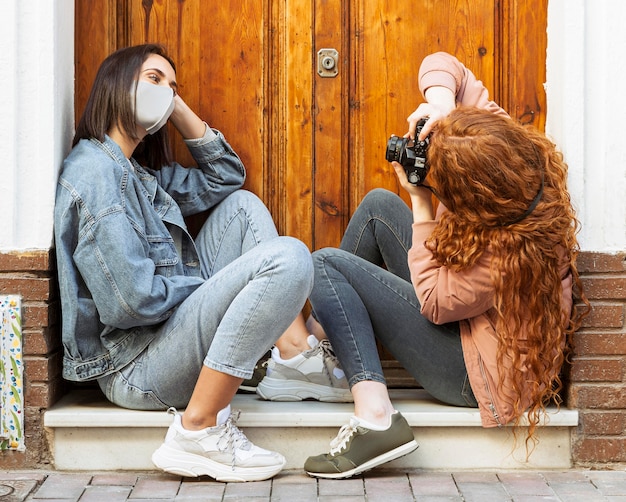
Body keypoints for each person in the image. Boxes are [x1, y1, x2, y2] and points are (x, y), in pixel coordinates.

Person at [296, 51, 589, 479]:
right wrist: (442, 109)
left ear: (475, 195)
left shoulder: (513, 253)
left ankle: (375, 417)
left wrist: (420, 202)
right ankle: (316, 349)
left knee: (325, 265)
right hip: (475, 328)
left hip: (476, 377)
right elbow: (444, 62)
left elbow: (435, 301)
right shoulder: (507, 151)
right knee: (378, 207)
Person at [54, 43, 316, 482]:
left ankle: (294, 356)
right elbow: (130, 303)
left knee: (242, 207)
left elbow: (226, 175)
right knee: (289, 258)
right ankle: (199, 429)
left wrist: (171, 107)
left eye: (173, 87)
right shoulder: (97, 173)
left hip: (161, 342)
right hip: (135, 368)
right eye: (154, 80)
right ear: (117, 86)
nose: (166, 92)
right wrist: (211, 289)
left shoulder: (136, 172)